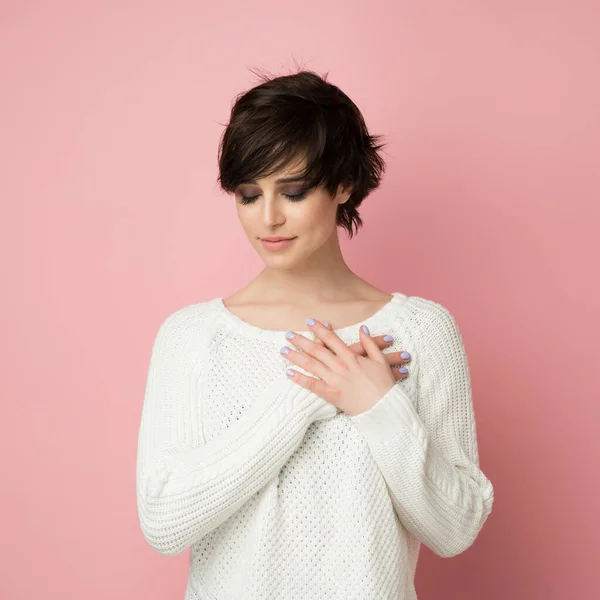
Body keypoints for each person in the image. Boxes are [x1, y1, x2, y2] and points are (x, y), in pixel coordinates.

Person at [135, 68, 494, 599]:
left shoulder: (420, 330)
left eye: (294, 191)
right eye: (249, 195)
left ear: (343, 185)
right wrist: (305, 398)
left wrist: (378, 405)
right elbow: (164, 521)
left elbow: (456, 528)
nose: (269, 218)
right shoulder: (192, 338)